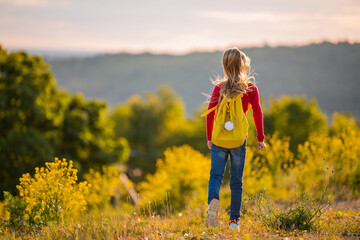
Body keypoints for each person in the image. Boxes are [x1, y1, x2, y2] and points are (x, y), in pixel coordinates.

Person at [205, 47, 266, 230]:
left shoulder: (219, 88)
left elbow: (209, 114)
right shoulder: (250, 89)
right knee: (236, 181)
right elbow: (258, 114)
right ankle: (233, 222)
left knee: (216, 176)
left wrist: (210, 138)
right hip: (239, 140)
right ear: (244, 66)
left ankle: (213, 202)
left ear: (224, 66)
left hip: (219, 139)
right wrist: (260, 138)